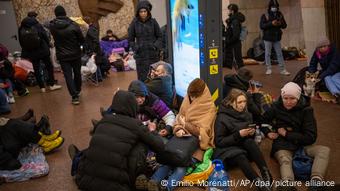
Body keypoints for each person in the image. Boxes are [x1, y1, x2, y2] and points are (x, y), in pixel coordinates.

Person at [69, 90, 165, 191]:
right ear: (133, 106)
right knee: (140, 145)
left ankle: (77, 158)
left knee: (100, 146)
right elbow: (160, 146)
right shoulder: (136, 125)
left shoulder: (104, 120)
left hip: (86, 181)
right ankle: (137, 177)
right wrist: (152, 130)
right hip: (117, 186)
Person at [147, 78, 216, 191]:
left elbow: (203, 131)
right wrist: (178, 128)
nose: (192, 99)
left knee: (181, 165)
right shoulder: (187, 99)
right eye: (190, 96)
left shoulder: (209, 107)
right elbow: (179, 117)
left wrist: (186, 125)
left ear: (202, 95)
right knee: (169, 161)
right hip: (181, 139)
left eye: (195, 96)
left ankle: (166, 187)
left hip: (197, 145)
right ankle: (153, 182)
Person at [260, 82, 330, 191]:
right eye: (285, 98)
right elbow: (263, 121)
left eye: (292, 98)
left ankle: (316, 182)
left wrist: (287, 134)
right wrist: (267, 132)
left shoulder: (306, 110)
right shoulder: (276, 107)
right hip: (282, 145)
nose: (288, 102)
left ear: (298, 98)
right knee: (285, 160)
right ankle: (287, 184)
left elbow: (311, 137)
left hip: (302, 145)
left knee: (324, 150)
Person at [213, 89, 272, 191]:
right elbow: (219, 142)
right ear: (231, 102)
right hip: (226, 150)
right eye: (239, 102)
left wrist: (251, 133)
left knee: (250, 142)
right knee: (239, 156)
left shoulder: (247, 114)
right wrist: (238, 134)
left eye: (244, 101)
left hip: (241, 144)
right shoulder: (222, 117)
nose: (243, 105)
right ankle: (259, 184)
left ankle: (266, 173)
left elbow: (248, 137)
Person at [49, 5, 85, 105]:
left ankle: (74, 97)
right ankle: (77, 90)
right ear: (65, 13)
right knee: (77, 73)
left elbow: (47, 23)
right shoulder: (74, 25)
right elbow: (82, 40)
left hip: (62, 55)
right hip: (75, 54)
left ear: (56, 14)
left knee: (68, 75)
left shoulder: (52, 26)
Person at [19, 12, 62, 93]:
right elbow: (44, 35)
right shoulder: (37, 25)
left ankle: (42, 87)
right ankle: (52, 84)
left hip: (32, 52)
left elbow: (21, 42)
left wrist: (27, 50)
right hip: (42, 50)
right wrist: (49, 44)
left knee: (36, 69)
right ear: (34, 17)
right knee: (49, 67)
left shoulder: (21, 28)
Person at [128, 0, 162, 81]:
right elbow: (130, 39)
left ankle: (154, 93)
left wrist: (155, 46)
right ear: (138, 13)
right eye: (141, 11)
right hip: (141, 56)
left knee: (154, 77)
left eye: (145, 11)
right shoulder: (134, 23)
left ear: (148, 12)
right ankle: (143, 93)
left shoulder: (153, 22)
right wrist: (136, 48)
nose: (143, 13)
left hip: (153, 55)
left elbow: (160, 36)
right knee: (142, 78)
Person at [260, 0, 290, 75]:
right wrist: (271, 23)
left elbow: (285, 25)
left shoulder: (280, 14)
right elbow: (262, 26)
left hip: (277, 37)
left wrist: (280, 23)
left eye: (276, 7)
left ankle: (283, 69)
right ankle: (268, 68)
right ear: (270, 7)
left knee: (279, 53)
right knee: (268, 53)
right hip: (268, 37)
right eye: (273, 7)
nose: (274, 8)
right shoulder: (265, 15)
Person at [308, 37, 340, 103]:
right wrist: (311, 74)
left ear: (328, 46)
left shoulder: (334, 51)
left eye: (324, 46)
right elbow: (312, 64)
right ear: (318, 48)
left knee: (334, 78)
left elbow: (333, 67)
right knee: (326, 78)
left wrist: (320, 77)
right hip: (328, 73)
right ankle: (336, 94)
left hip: (337, 71)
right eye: (320, 47)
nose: (322, 48)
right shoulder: (317, 53)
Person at [223, 4, 245, 70]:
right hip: (233, 42)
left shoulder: (235, 21)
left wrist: (229, 41)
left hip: (235, 43)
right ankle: (239, 74)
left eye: (229, 10)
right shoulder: (232, 20)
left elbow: (236, 34)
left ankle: (242, 75)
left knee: (238, 59)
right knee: (236, 60)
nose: (228, 11)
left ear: (232, 11)